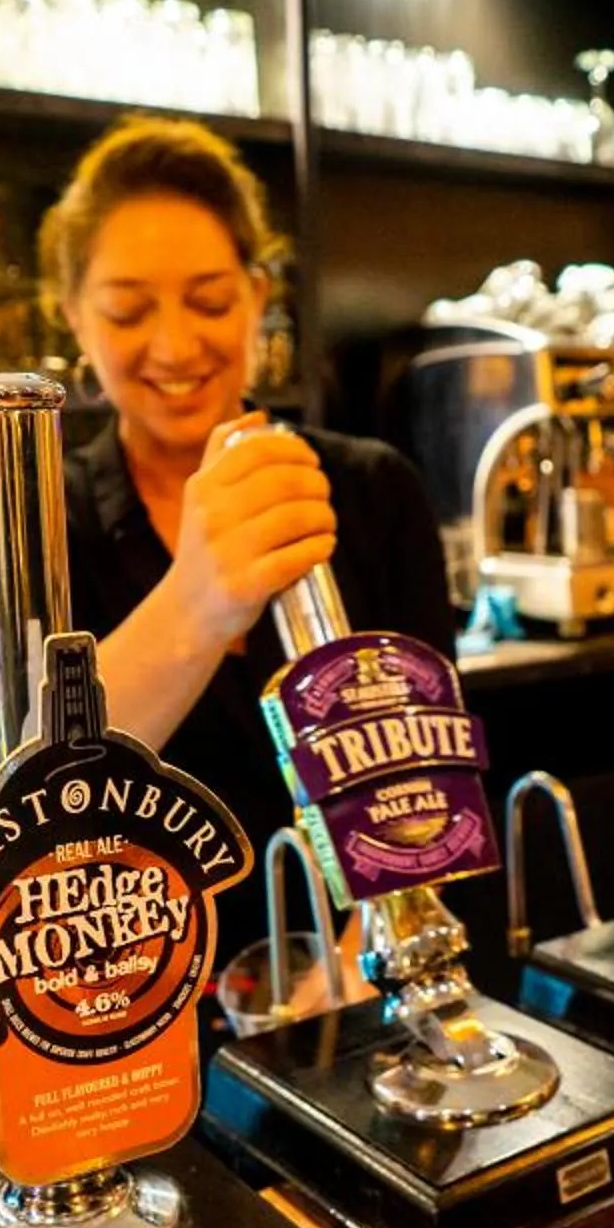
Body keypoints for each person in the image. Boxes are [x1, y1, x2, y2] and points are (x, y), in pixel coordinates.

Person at [44, 117, 458, 937]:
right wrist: (198, 601)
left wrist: (358, 966)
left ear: (258, 300)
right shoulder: (41, 524)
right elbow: (35, 801)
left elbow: (426, 779)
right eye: (128, 311)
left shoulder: (372, 489)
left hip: (365, 985)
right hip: (134, 1005)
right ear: (73, 318)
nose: (175, 343)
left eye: (210, 301)